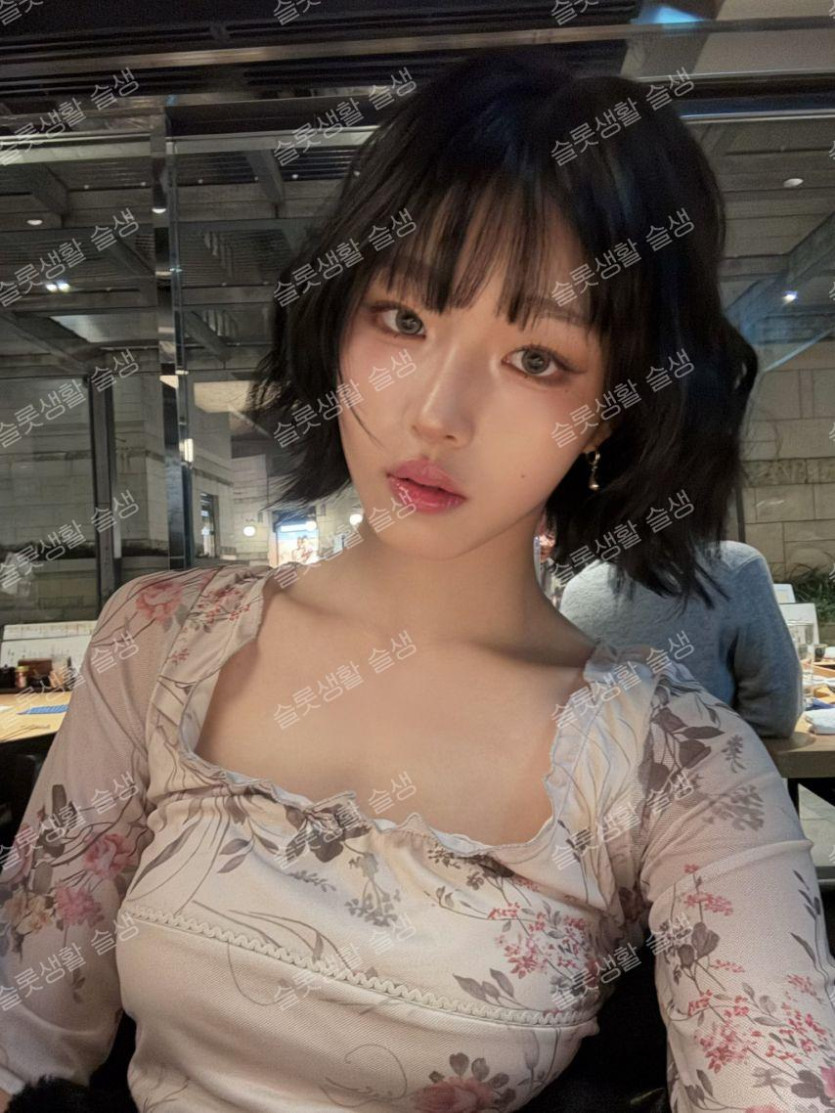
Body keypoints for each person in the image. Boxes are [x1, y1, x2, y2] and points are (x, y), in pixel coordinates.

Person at [2, 45, 834, 1113]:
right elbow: (24, 1026)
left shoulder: (679, 769)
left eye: (536, 359)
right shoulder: (161, 641)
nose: (436, 414)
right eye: (404, 319)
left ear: (610, 409)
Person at [558, 539, 804, 740]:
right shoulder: (734, 566)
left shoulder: (576, 588)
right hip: (713, 775)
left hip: (603, 780)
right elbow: (775, 714)